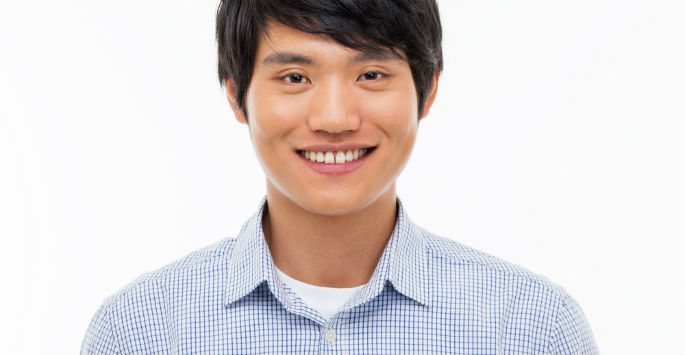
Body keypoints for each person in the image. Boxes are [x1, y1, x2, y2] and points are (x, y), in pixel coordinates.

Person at [81, 0, 598, 353]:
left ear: (428, 91)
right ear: (237, 94)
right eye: (295, 77)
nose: (334, 118)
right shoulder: (142, 330)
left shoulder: (528, 327)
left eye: (371, 75)